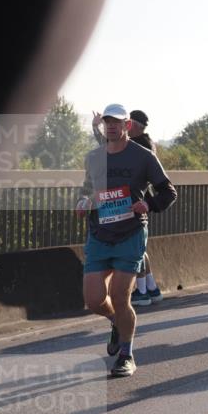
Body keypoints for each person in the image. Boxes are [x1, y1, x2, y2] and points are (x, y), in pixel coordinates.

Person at [76, 104, 177, 377]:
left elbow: (169, 192)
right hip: (99, 234)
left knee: (121, 297)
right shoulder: (94, 157)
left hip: (130, 233)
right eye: (107, 122)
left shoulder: (143, 157)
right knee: (94, 300)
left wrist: (149, 204)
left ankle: (126, 355)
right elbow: (87, 188)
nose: (110, 126)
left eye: (116, 122)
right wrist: (83, 201)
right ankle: (115, 322)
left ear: (127, 126)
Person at [93, 108, 164, 306]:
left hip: (136, 203)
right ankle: (151, 288)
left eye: (126, 124)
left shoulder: (140, 147)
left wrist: (95, 127)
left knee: (134, 248)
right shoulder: (143, 142)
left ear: (134, 126)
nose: (124, 129)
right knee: (141, 249)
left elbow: (106, 146)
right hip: (139, 202)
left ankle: (141, 291)